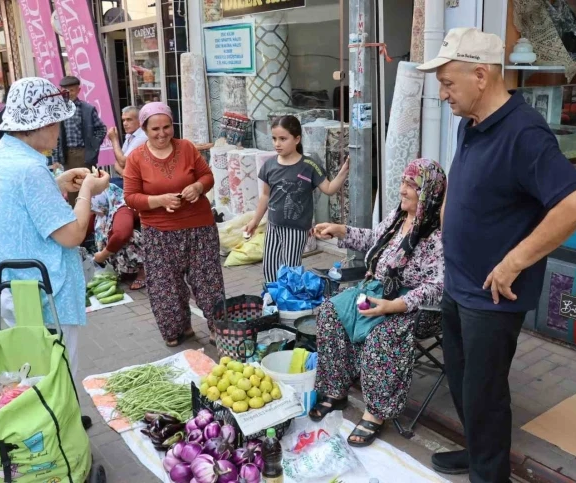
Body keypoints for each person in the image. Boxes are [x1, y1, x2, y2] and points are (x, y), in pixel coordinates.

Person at [416, 28, 576, 482]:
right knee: (459, 380)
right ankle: (477, 452)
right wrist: (446, 212)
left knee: (485, 392)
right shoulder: (470, 122)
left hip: (492, 294)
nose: (442, 95)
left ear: (480, 75)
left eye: (448, 83)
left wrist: (515, 261)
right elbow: (462, 176)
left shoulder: (525, 133)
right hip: (458, 280)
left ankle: (489, 474)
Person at [0, 77, 110, 385]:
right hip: (39, 291)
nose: (59, 130)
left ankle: (47, 420)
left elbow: (13, 204)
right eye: (57, 122)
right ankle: (57, 426)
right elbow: (72, 234)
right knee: (52, 371)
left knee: (27, 365)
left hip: (8, 283)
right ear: (41, 123)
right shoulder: (30, 169)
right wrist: (87, 189)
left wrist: (57, 183)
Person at [309, 158, 445, 448]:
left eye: (412, 185)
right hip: (377, 289)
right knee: (332, 312)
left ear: (429, 193)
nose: (403, 190)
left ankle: (376, 412)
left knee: (383, 335)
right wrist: (340, 230)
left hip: (416, 306)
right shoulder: (398, 218)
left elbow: (439, 287)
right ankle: (335, 390)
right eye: (403, 183)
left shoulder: (438, 234)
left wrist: (394, 306)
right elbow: (375, 239)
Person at [123, 102, 224, 347]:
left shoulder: (187, 148)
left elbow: (207, 176)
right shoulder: (136, 158)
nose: (162, 133)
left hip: (199, 227)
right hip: (159, 232)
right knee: (166, 285)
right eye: (155, 128)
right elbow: (130, 196)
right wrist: (159, 200)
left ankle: (217, 326)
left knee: (207, 279)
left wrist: (198, 187)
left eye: (167, 127)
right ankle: (179, 328)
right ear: (145, 129)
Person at [244, 115, 349, 282]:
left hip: (296, 229)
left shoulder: (309, 165)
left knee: (291, 270)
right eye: (274, 138)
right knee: (269, 268)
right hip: (273, 226)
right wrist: (254, 222)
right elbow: (265, 195)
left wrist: (344, 171)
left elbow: (329, 189)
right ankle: (273, 302)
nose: (277, 143)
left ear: (297, 139)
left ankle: (290, 304)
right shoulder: (269, 165)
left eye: (283, 139)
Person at [51, 76, 108, 205]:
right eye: (66, 91)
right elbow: (55, 137)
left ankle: (90, 218)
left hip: (83, 153)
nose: (69, 93)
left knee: (87, 187)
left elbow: (101, 128)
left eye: (72, 90)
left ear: (78, 90)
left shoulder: (87, 109)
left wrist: (93, 146)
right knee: (71, 188)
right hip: (66, 155)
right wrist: (55, 159)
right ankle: (76, 218)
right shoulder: (58, 111)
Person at [90, 183, 146, 289]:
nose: (92, 210)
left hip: (145, 244)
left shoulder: (122, 207)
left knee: (125, 238)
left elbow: (122, 235)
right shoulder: (104, 210)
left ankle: (144, 272)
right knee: (108, 238)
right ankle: (126, 271)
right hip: (122, 240)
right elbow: (83, 227)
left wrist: (102, 255)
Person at [107, 105, 147, 188]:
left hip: (141, 182)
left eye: (129, 120)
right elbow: (117, 162)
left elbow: (122, 161)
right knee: (101, 184)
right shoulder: (130, 135)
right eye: (123, 120)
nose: (125, 123)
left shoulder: (143, 135)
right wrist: (125, 174)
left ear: (140, 121)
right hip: (130, 178)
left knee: (104, 189)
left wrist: (114, 140)